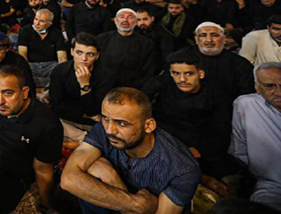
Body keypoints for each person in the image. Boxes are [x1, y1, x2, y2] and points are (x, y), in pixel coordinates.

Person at [60, 87, 201, 214]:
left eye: (122, 123)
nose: (109, 130)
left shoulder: (182, 169)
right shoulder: (104, 129)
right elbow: (68, 179)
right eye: (105, 118)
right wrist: (137, 203)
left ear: (149, 126)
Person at [0, 65, 63, 213]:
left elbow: (43, 171)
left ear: (24, 92)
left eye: (8, 93)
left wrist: (47, 205)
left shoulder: (47, 125)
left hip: (8, 175)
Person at [141, 50, 238, 197]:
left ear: (200, 74)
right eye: (176, 73)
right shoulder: (162, 86)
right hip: (165, 142)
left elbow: (222, 132)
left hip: (200, 147)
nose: (182, 79)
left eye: (188, 74)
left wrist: (197, 151)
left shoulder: (216, 96)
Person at [229, 62, 281, 211]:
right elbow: (239, 151)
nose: (278, 92)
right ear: (257, 87)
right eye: (270, 86)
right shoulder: (246, 105)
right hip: (270, 187)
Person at [50, 33, 114, 145]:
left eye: (90, 54)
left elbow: (93, 110)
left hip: (92, 124)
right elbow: (56, 106)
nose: (84, 59)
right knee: (46, 120)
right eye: (79, 53)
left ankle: (84, 141)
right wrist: (83, 114)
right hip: (67, 120)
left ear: (97, 56)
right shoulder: (60, 71)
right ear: (72, 52)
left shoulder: (106, 75)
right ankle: (85, 140)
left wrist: (84, 85)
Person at [185, 22, 254, 104]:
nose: (209, 40)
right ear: (196, 39)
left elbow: (246, 95)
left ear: (224, 38)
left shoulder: (240, 63)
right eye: (203, 35)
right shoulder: (181, 58)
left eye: (214, 35)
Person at [97, 8, 156, 89]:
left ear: (136, 22)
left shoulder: (146, 43)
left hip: (132, 88)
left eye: (130, 17)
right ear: (115, 20)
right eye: (122, 17)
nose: (125, 20)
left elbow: (148, 71)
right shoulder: (102, 39)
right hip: (103, 85)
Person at [18, 8, 69, 88]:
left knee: (60, 72)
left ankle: (46, 87)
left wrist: (63, 72)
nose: (37, 23)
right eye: (36, 19)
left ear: (49, 24)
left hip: (50, 64)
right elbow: (22, 54)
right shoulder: (25, 31)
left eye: (41, 21)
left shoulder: (56, 33)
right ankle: (45, 88)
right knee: (23, 73)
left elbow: (62, 57)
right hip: (32, 64)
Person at [135, 7, 173, 74]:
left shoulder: (162, 33)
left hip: (155, 69)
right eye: (138, 20)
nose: (142, 22)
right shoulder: (134, 32)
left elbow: (166, 55)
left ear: (152, 19)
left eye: (145, 19)